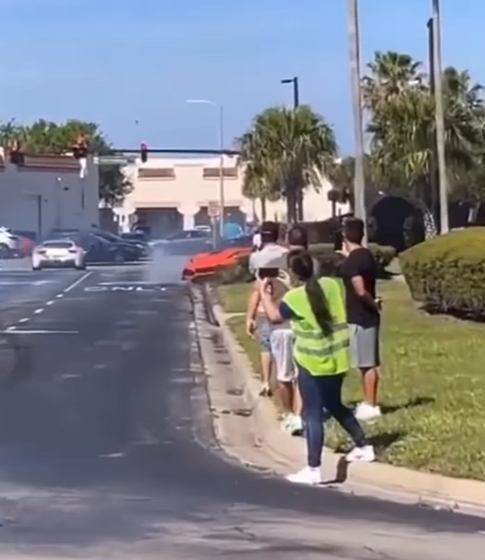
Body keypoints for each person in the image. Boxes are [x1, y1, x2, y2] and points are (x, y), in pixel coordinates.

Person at [259, 250, 375, 485]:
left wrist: (264, 294)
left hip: (312, 363)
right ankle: (364, 446)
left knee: (311, 414)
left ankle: (313, 469)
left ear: (292, 273)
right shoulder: (331, 285)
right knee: (333, 404)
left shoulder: (294, 298)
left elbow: (274, 317)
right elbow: (314, 298)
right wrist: (293, 284)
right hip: (337, 358)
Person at [340, 217, 381, 421]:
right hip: (368, 316)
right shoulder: (366, 256)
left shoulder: (351, 263)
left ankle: (371, 404)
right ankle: (368, 401)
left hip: (360, 316)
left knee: (366, 363)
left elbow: (360, 289)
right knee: (367, 362)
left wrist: (373, 303)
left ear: (345, 235)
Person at [246, 222, 288, 397]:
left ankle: (265, 383)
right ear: (278, 235)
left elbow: (257, 287)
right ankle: (284, 380)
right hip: (285, 305)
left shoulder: (256, 257)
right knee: (285, 346)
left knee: (266, 346)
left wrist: (250, 316)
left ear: (261, 236)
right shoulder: (287, 254)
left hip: (265, 306)